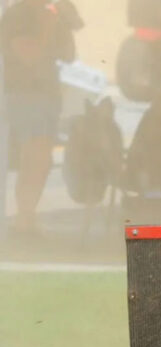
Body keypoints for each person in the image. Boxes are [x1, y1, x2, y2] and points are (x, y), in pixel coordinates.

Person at [0, 0, 82, 233]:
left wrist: (62, 25)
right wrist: (46, 27)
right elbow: (29, 56)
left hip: (46, 95)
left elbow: (68, 55)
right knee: (35, 156)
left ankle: (26, 217)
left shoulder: (49, 15)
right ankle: (24, 219)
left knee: (40, 159)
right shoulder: (19, 15)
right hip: (25, 95)